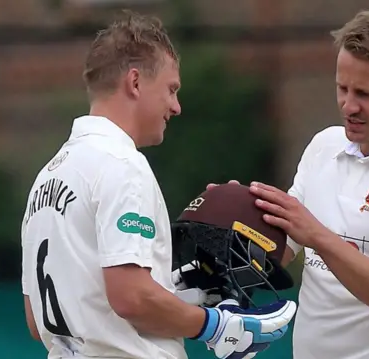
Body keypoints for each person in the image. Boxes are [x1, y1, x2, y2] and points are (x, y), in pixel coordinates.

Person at [20, 10, 296, 359]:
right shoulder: (121, 164)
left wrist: (177, 293)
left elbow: (36, 320)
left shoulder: (47, 177)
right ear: (135, 82)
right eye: (171, 89)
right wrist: (216, 326)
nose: (176, 106)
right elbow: (131, 298)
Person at [210, 3, 369, 359]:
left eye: (365, 94)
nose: (348, 105)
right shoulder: (325, 145)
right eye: (342, 88)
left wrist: (317, 236)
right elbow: (281, 249)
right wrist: (229, 224)